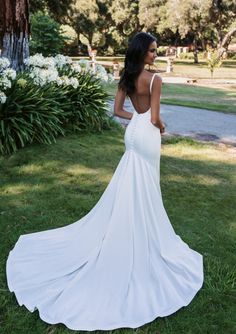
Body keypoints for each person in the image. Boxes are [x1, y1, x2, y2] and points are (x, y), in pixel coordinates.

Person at [6, 32, 204, 331]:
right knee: (146, 184)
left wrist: (136, 118)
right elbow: (154, 119)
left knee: (130, 181)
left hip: (132, 135)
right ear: (141, 52)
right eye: (151, 50)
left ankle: (129, 223)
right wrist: (161, 126)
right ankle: (141, 230)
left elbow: (117, 111)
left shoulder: (127, 76)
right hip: (147, 136)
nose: (155, 54)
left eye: (155, 51)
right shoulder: (155, 80)